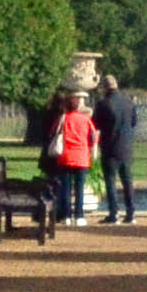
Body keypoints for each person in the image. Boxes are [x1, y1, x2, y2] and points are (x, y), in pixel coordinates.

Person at [48, 83, 100, 223]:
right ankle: (79, 215)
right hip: (82, 157)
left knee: (65, 188)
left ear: (66, 106)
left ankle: (66, 216)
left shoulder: (63, 119)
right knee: (79, 189)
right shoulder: (86, 120)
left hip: (65, 157)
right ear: (77, 107)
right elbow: (93, 137)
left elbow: (52, 133)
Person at [94, 74, 141, 224]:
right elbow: (133, 122)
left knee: (110, 180)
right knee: (127, 181)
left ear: (104, 88)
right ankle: (131, 212)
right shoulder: (128, 101)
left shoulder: (103, 104)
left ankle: (114, 213)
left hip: (110, 146)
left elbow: (96, 124)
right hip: (126, 146)